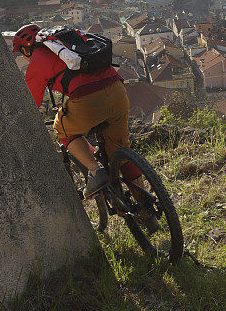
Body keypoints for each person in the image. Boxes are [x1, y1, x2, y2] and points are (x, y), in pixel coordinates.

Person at [12, 23, 137, 198]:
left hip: (88, 100)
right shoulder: (69, 42)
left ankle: (95, 171)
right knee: (120, 151)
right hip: (117, 89)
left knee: (61, 128)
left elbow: (31, 102)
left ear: (25, 50)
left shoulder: (38, 58)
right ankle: (146, 204)